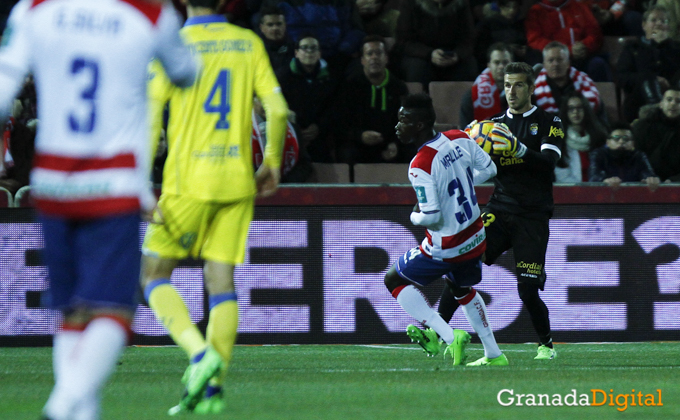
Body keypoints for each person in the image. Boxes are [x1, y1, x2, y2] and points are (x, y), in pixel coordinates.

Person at [0, 0, 198, 419]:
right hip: (113, 182)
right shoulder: (149, 14)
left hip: (52, 181)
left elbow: (4, 86)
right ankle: (61, 406)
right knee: (113, 308)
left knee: (73, 308)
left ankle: (80, 412)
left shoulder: (33, 9)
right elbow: (185, 72)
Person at [142, 0, 288, 415]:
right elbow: (276, 109)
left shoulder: (172, 43)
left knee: (153, 274)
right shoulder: (247, 41)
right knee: (220, 281)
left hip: (187, 181)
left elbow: (152, 115)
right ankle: (213, 392)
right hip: (237, 179)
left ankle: (198, 354)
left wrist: (139, 179)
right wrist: (272, 161)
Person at [409, 62, 564, 360]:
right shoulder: (489, 127)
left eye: (518, 85)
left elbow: (547, 165)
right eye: (507, 85)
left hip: (532, 215)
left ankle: (546, 346)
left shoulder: (549, 121)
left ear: (531, 89)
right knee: (457, 269)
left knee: (528, 291)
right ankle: (437, 334)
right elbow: (468, 168)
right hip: (499, 209)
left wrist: (518, 149)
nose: (512, 91)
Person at [385, 93, 508, 366]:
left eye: (403, 120)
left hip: (448, 245)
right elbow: (488, 170)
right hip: (475, 236)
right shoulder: (460, 137)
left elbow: (431, 216)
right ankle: (494, 355)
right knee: (461, 289)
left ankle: (449, 337)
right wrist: (460, 181)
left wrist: (414, 216)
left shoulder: (420, 164)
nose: (397, 126)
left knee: (393, 280)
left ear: (418, 125)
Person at [339, 35, 412, 163]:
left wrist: (394, 143)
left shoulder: (399, 88)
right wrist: (360, 136)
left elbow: (405, 122)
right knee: (347, 153)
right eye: (369, 54)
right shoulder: (350, 86)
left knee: (411, 151)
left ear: (386, 58)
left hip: (389, 144)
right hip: (359, 143)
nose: (374, 57)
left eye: (378, 53)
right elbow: (342, 123)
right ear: (362, 60)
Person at [276, 33, 341, 162]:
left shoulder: (331, 77)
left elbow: (335, 107)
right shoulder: (283, 77)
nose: (309, 52)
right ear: (296, 53)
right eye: (305, 48)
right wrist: (296, 128)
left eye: (313, 48)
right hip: (290, 133)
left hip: (320, 134)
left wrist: (318, 127)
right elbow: (278, 106)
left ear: (319, 53)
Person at [616, 5, 680, 122]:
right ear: (644, 25)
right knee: (647, 78)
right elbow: (621, 78)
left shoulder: (676, 48)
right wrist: (652, 79)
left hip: (674, 103)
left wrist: (663, 46)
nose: (659, 24)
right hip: (639, 103)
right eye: (654, 20)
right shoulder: (633, 48)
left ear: (669, 27)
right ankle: (656, 110)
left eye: (663, 21)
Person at [395, 0, 477, 87]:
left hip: (452, 53)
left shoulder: (461, 4)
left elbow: (468, 39)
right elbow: (404, 41)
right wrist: (429, 54)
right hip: (419, 55)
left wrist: (457, 55)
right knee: (418, 69)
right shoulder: (410, 3)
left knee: (468, 66)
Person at [525, 0, 611, 82]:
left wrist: (584, 45)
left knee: (598, 64)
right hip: (555, 60)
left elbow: (595, 34)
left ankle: (599, 97)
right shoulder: (535, 11)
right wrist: (567, 51)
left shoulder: (579, 7)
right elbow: (535, 40)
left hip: (583, 57)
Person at [534, 42, 603, 120]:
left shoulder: (584, 81)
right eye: (551, 60)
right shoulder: (535, 92)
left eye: (560, 60)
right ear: (544, 65)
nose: (555, 64)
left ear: (568, 63)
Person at [252, 96, 312, 182]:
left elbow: (305, 166)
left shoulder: (293, 129)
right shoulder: (240, 131)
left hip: (286, 190)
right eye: (261, 100)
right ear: (252, 102)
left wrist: (284, 184)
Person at [554, 92, 608, 183]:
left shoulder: (599, 137)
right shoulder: (559, 139)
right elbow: (561, 175)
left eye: (579, 108)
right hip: (571, 192)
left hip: (599, 190)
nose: (575, 112)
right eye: (571, 109)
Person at [588, 122, 660, 190]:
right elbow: (594, 176)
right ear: (608, 142)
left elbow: (647, 172)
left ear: (632, 143)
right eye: (616, 138)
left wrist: (650, 179)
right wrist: (604, 180)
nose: (621, 141)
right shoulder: (599, 154)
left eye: (626, 139)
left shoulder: (639, 156)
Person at [632, 86, 680, 182]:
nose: (673, 104)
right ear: (661, 104)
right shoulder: (642, 127)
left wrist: (674, 180)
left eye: (678, 101)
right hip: (645, 182)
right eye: (669, 99)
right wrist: (646, 176)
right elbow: (634, 158)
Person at [459, 43, 513, 127]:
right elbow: (464, 130)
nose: (501, 66)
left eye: (505, 62)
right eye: (496, 62)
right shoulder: (472, 97)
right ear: (489, 65)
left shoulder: (524, 94)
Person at [258, 5, 295, 74]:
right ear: (261, 28)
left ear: (285, 25)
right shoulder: (254, 49)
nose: (275, 28)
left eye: (279, 24)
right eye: (270, 25)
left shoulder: (295, 49)